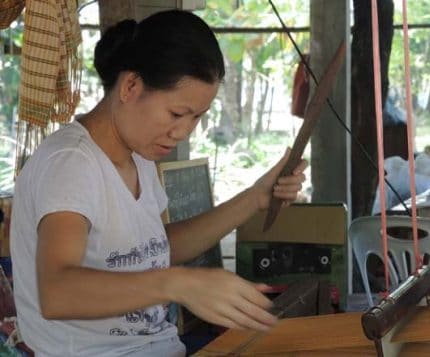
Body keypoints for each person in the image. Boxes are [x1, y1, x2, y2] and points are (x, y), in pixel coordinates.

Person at [10, 10, 307, 357]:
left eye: (196, 117)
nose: (182, 131)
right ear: (131, 87)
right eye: (176, 114)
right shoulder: (72, 164)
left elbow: (153, 251)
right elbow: (57, 291)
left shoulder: (138, 156)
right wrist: (179, 283)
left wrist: (255, 197)